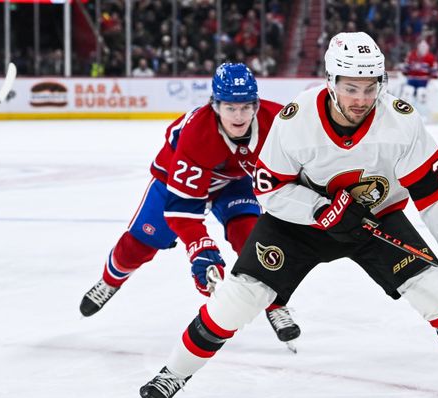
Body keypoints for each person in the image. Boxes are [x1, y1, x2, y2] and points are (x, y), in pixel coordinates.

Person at [137, 32, 438, 398]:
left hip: (375, 218)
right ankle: (173, 374)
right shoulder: (296, 120)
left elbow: (436, 190)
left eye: (370, 88)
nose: (361, 100)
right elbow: (270, 190)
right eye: (350, 88)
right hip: (299, 224)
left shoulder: (401, 123)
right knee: (240, 298)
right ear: (331, 81)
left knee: (434, 290)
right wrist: (319, 209)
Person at [80, 63, 301, 347]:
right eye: (230, 107)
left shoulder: (279, 122)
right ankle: (111, 279)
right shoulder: (197, 134)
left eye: (246, 107)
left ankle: (275, 303)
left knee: (252, 238)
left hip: (234, 180)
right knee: (139, 245)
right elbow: (183, 212)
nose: (238, 116)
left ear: (257, 105)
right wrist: (201, 251)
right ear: (214, 105)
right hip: (175, 180)